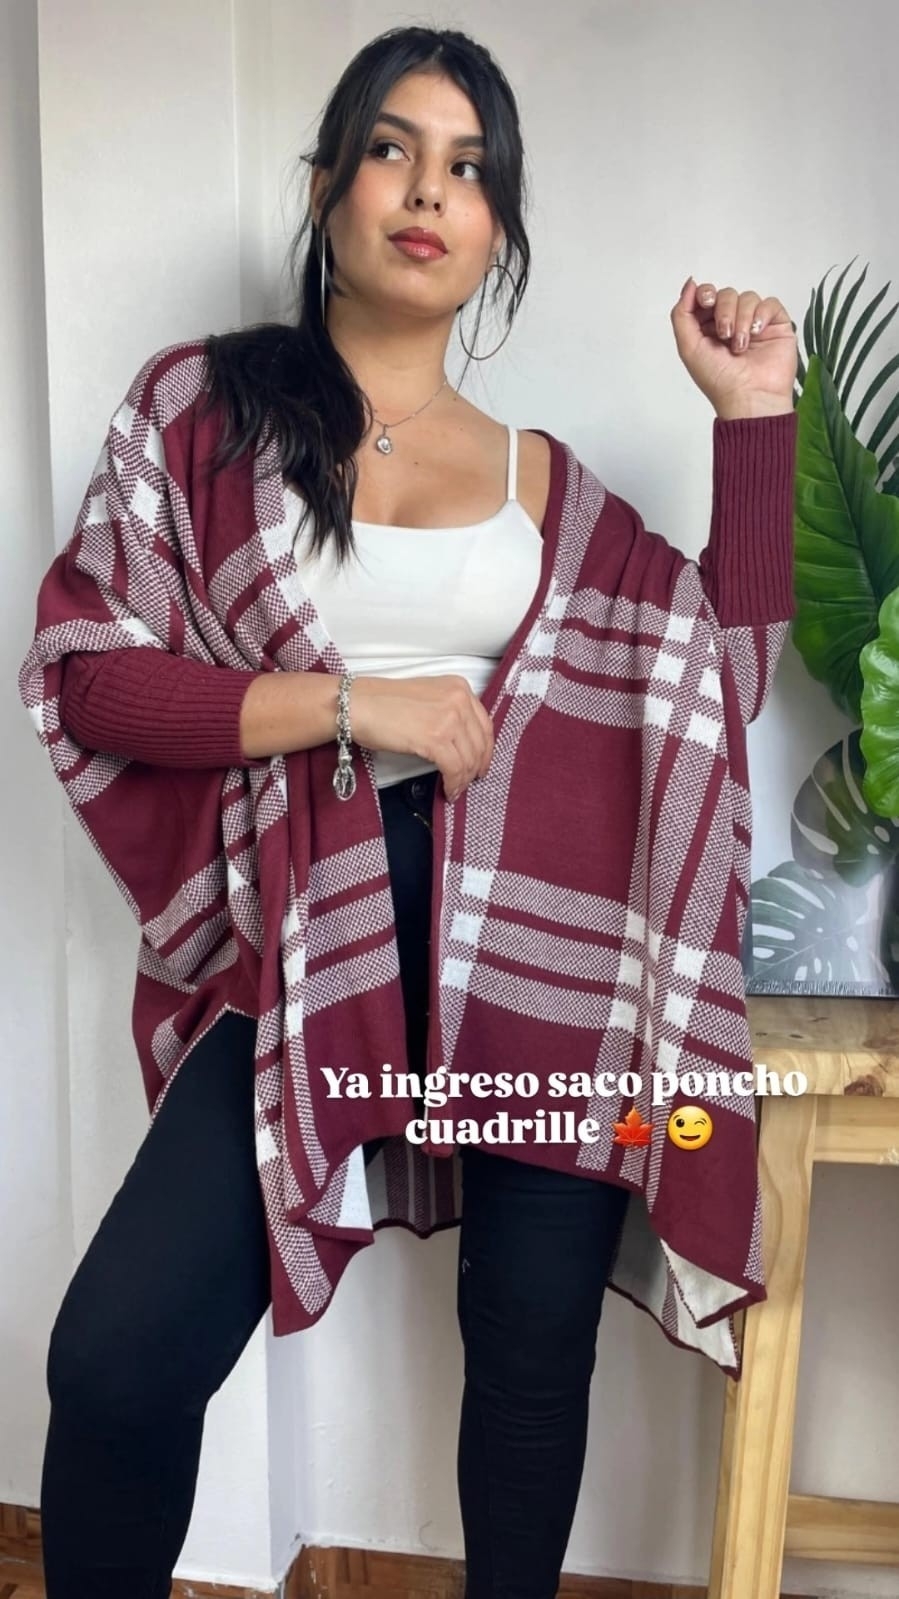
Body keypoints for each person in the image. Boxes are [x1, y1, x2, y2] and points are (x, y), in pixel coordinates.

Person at [18, 23, 798, 1599]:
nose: (429, 191)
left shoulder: (547, 486)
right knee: (115, 1361)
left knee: (529, 1355)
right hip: (312, 937)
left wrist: (753, 417)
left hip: (545, 959)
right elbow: (92, 677)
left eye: (470, 169)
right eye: (392, 149)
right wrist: (351, 706)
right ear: (326, 187)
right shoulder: (203, 418)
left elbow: (717, 682)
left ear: (500, 232)